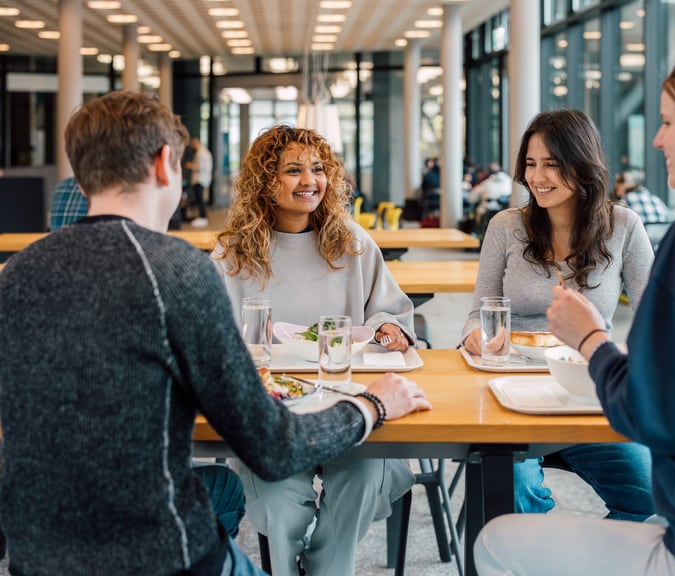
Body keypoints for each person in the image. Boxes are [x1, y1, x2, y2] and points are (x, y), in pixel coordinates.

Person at [0, 91, 431, 576]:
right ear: (167, 164)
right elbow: (270, 443)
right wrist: (372, 405)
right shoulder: (178, 273)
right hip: (163, 555)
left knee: (234, 485)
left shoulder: (15, 274)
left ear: (78, 172)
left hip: (36, 558)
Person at [474, 44, 675, 576]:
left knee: (494, 540)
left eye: (668, 122)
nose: (656, 139)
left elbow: (658, 415)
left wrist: (589, 339)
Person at [211, 124, 418, 576]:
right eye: (292, 170)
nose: (310, 180)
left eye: (318, 169)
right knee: (281, 496)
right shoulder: (232, 255)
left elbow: (391, 313)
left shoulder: (354, 243)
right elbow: (214, 344)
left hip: (355, 404)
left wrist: (389, 330)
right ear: (265, 180)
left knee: (364, 476)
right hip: (274, 414)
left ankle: (326, 570)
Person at [461, 109, 655, 521]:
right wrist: (475, 334)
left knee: (651, 494)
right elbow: (477, 314)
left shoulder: (624, 226)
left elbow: (655, 322)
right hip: (510, 392)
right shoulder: (505, 227)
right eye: (531, 164)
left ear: (582, 163)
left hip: (591, 391)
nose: (538, 177)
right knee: (513, 493)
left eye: (552, 163)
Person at [467, 162, 513, 228]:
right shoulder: (510, 181)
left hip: (487, 213)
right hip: (507, 213)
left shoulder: (486, 183)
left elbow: (471, 198)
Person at [184, 136, 213, 227]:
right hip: (200, 179)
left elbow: (202, 167)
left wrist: (191, 166)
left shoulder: (202, 154)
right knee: (199, 199)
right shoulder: (203, 153)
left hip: (200, 180)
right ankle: (202, 216)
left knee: (200, 200)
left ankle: (203, 217)